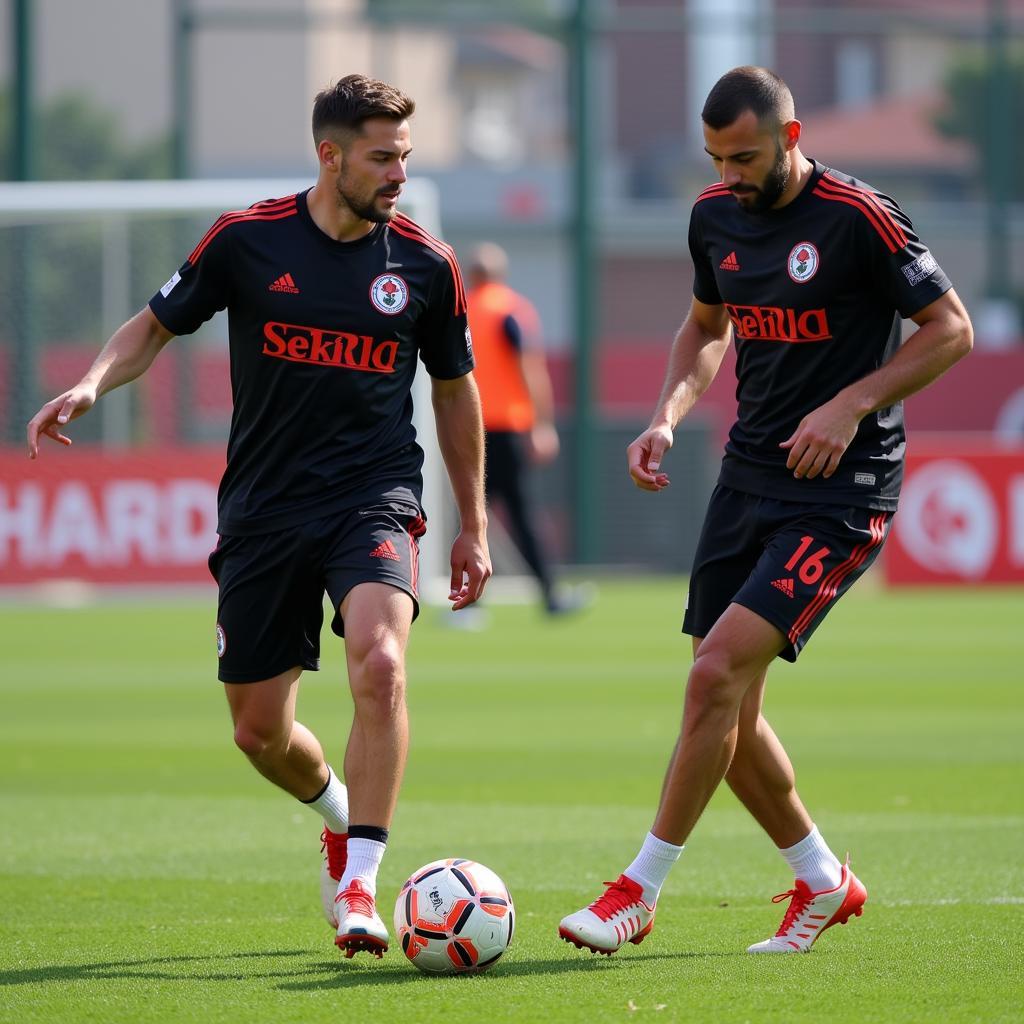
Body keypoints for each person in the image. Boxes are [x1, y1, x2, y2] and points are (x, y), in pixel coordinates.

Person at [26, 74, 491, 960]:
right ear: (330, 155)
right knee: (258, 732)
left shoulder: (426, 266)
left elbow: (456, 392)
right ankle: (336, 815)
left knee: (381, 664)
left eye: (405, 156)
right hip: (265, 510)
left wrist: (470, 521)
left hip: (374, 496)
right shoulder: (248, 241)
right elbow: (155, 325)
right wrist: (91, 380)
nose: (398, 173)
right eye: (382, 157)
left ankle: (361, 881)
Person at [558, 66, 972, 956]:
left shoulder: (860, 216)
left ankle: (639, 889)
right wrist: (665, 419)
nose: (728, 175)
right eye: (715, 159)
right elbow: (707, 327)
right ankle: (826, 882)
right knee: (730, 710)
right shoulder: (714, 217)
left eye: (743, 156)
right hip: (748, 478)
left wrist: (851, 403)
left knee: (712, 678)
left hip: (844, 489)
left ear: (789, 138)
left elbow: (951, 329)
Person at [466, 242, 586, 615]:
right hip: (507, 427)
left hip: (468, 428)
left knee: (471, 515)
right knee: (522, 514)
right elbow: (530, 368)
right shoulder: (510, 309)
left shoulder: (461, 308)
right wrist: (542, 424)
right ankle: (550, 595)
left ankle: (467, 603)